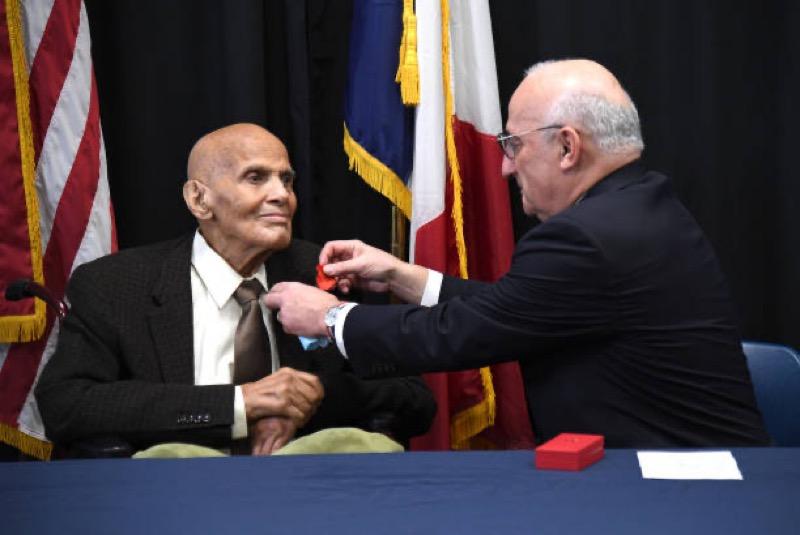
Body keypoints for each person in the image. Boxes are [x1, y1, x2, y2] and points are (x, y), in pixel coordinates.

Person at [265, 59, 770, 448]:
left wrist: (330, 318)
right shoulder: (641, 205)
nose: (505, 169)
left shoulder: (587, 236)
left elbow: (466, 335)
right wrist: (405, 278)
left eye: (513, 145)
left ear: (568, 148)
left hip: (676, 487)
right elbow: (523, 310)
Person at [36, 123, 435, 456]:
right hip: (171, 498)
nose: (282, 195)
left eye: (287, 179)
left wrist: (309, 397)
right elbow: (67, 404)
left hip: (308, 496)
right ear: (199, 199)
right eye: (256, 177)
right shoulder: (115, 284)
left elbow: (413, 398)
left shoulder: (324, 271)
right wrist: (240, 405)